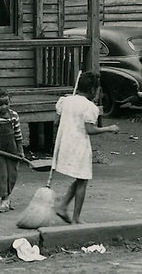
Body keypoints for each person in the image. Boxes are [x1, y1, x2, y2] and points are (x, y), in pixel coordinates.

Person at [52, 70, 119, 224]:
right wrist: (109, 128)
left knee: (80, 179)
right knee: (83, 181)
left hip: (64, 144)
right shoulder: (90, 107)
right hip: (79, 147)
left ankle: (62, 206)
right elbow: (90, 130)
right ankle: (76, 218)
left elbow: (56, 122)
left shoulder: (65, 101)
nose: (98, 94)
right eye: (97, 90)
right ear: (91, 90)